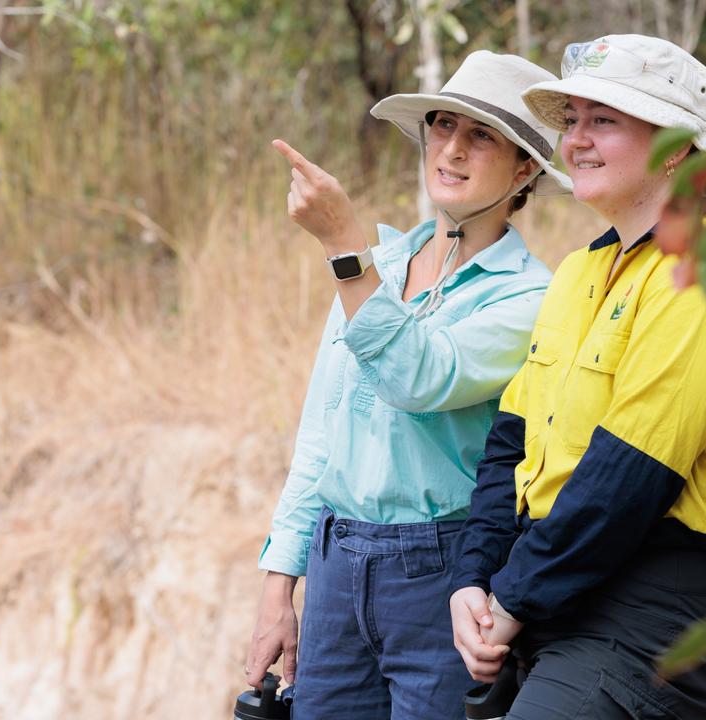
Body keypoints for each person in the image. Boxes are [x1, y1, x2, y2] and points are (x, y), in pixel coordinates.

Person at [244, 50, 571, 720]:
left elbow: (420, 375)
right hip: (337, 567)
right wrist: (281, 584)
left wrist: (342, 245)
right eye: (442, 127)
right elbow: (323, 430)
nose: (450, 150)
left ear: (526, 168)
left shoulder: (532, 298)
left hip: (442, 575)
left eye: (481, 135)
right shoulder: (382, 264)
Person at [450, 35, 706, 720]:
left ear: (677, 146)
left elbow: (631, 476)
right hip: (553, 590)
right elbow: (510, 444)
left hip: (651, 612)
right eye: (572, 121)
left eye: (604, 120)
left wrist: (514, 600)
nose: (576, 141)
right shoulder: (578, 272)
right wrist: (472, 579)